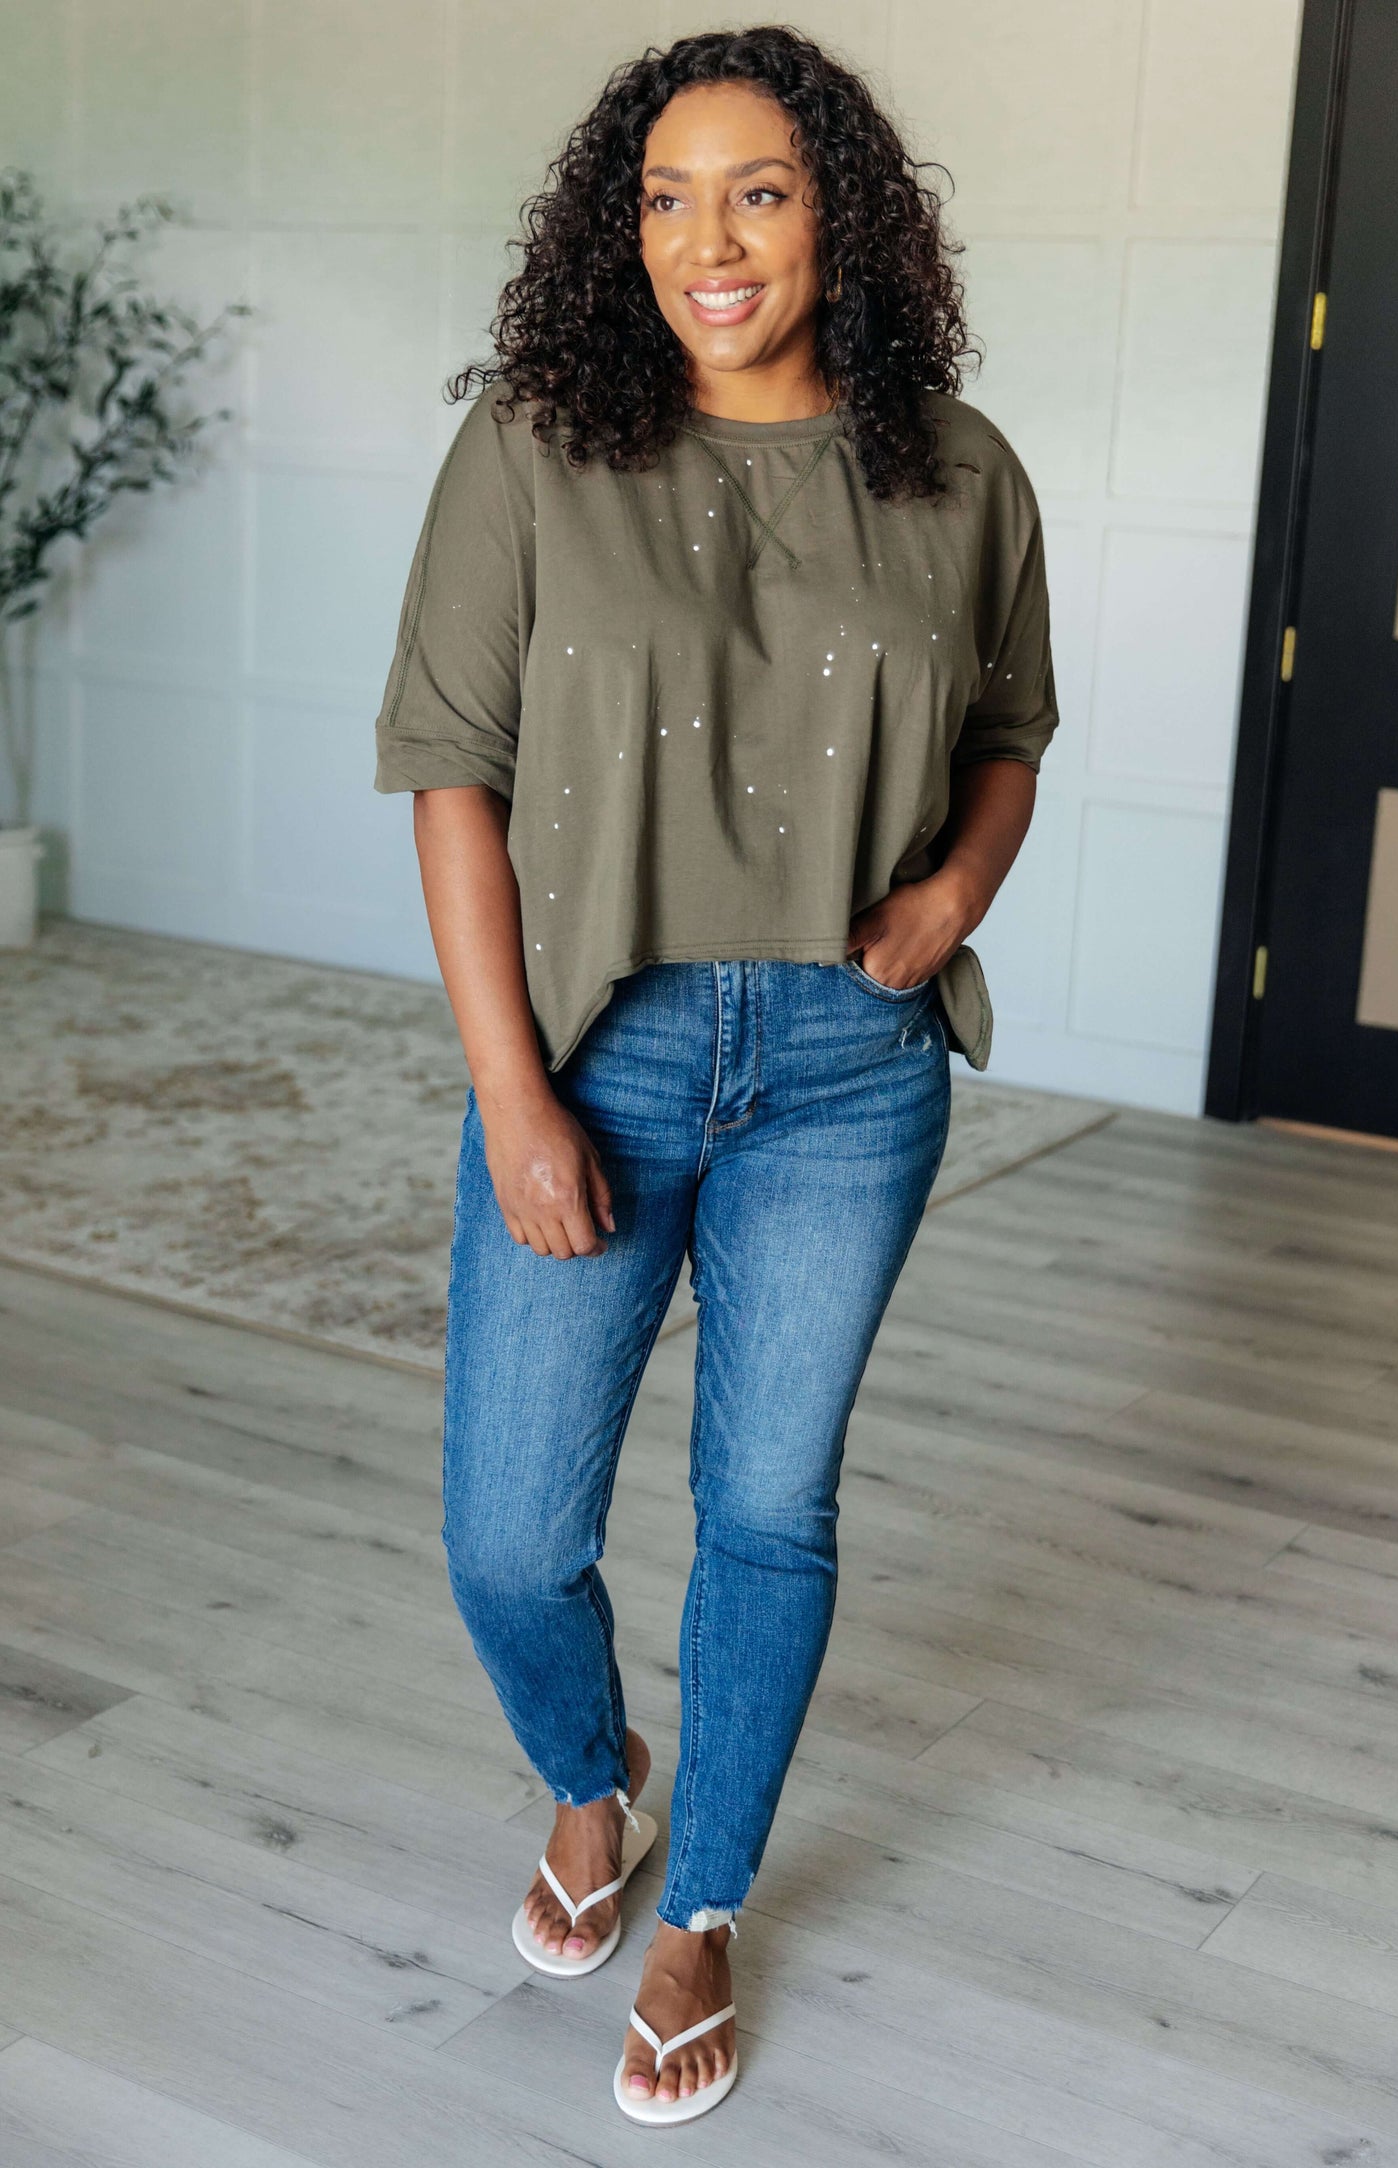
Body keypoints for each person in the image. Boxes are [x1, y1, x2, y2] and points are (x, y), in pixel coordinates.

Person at [373, 22, 1057, 2128]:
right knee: (508, 1535)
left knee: (768, 1509)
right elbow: (452, 781)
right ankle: (600, 1774)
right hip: (600, 1050)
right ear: (618, 227)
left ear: (837, 209)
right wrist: (511, 1094)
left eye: (757, 187)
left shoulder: (955, 464)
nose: (710, 238)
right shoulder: (530, 448)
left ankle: (705, 1912)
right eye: (665, 196)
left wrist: (945, 902)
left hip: (852, 1067)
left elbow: (1011, 735)